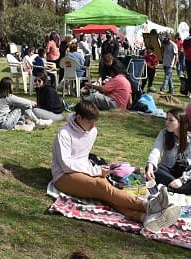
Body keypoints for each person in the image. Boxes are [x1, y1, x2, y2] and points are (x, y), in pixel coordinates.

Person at [52, 99, 181, 233]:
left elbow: (83, 158)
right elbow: (66, 165)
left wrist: (96, 171)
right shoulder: (64, 134)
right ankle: (148, 206)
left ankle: (144, 218)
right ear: (79, 118)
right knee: (102, 187)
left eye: (94, 122)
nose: (93, 126)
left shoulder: (92, 131)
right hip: (63, 176)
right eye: (89, 122)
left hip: (83, 171)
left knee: (106, 194)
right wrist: (94, 170)